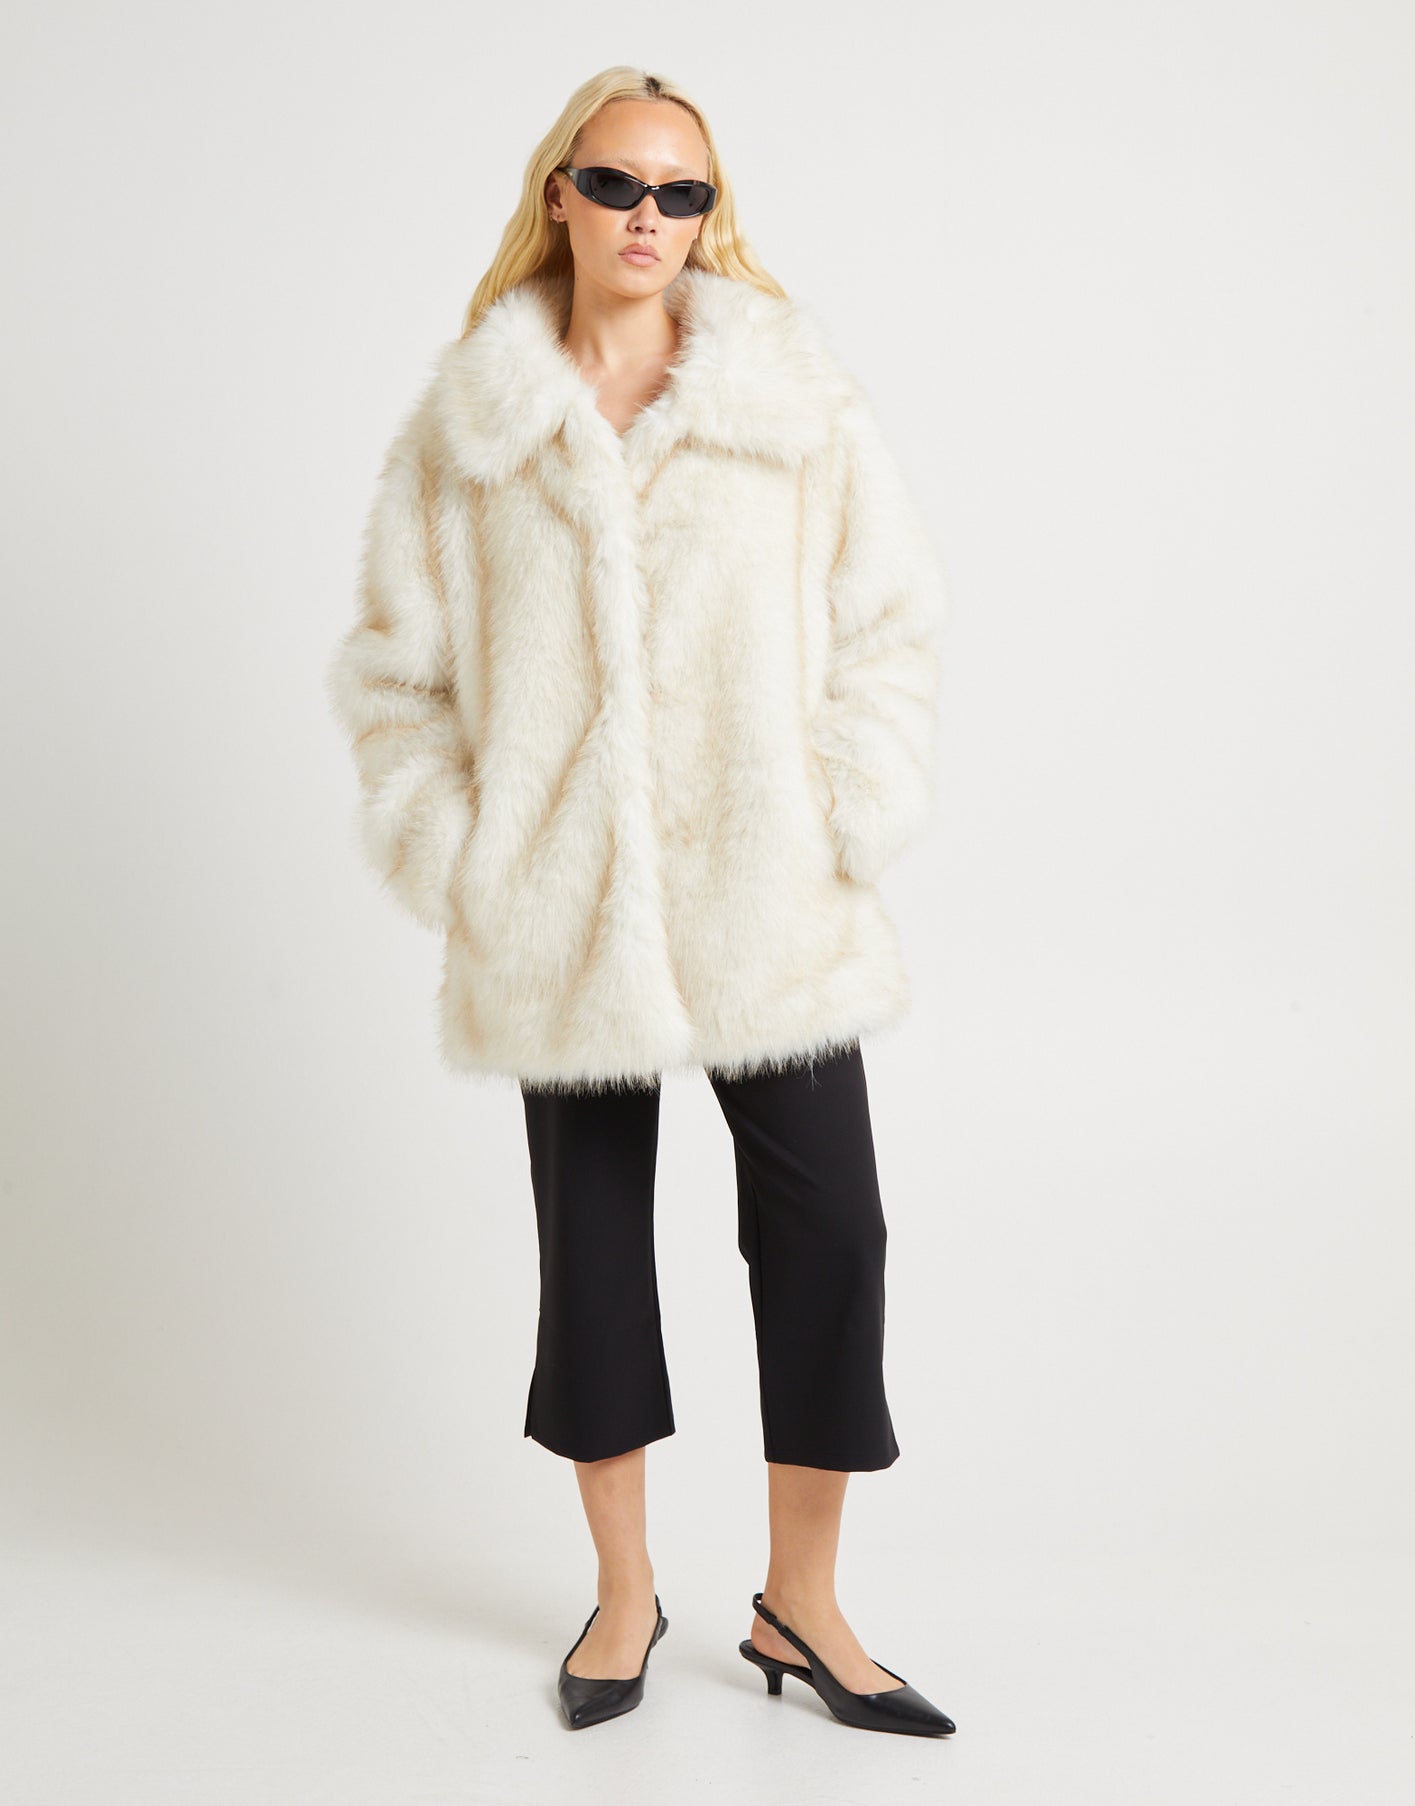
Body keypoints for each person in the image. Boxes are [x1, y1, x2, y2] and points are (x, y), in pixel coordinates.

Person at [326, 64, 954, 1737]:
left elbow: (887, 621)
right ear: (561, 193)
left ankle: (801, 1602)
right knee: (592, 1246)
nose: (649, 218)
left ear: (709, 212)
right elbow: (394, 677)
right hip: (562, 908)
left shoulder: (790, 400)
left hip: (767, 891)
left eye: (683, 193)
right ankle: (622, 1591)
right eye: (617, 184)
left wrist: (845, 806)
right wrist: (466, 856)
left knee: (831, 1223)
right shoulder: (474, 429)